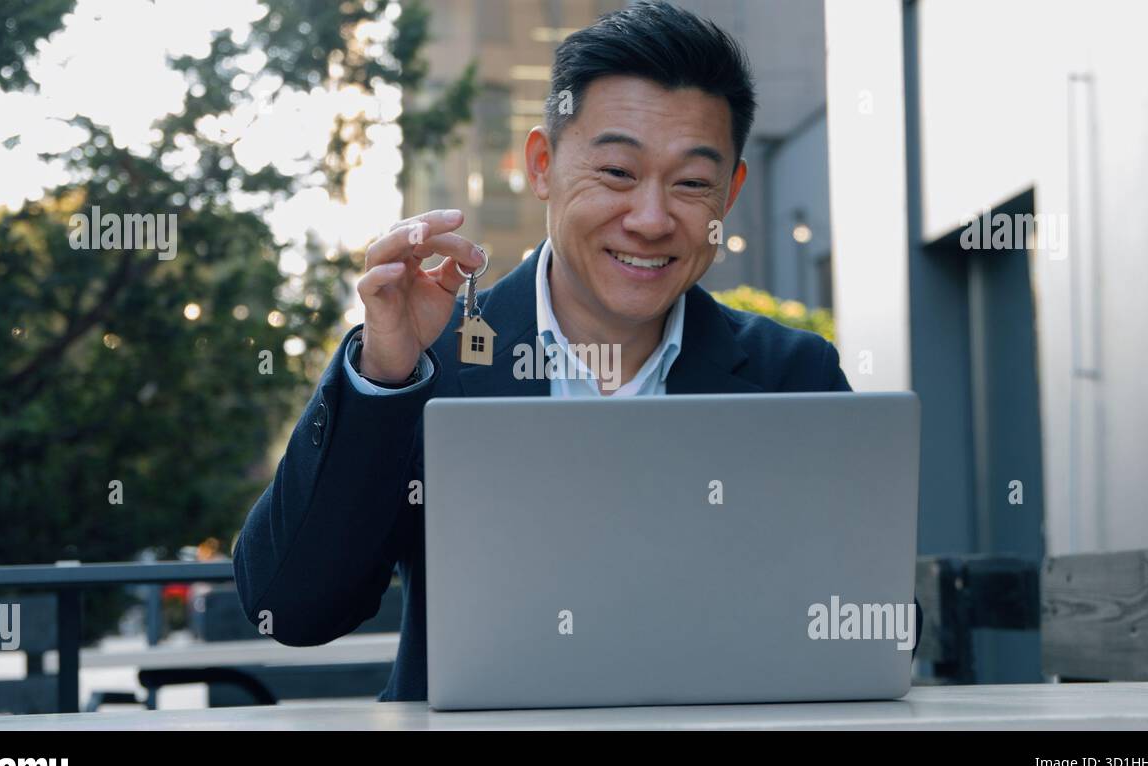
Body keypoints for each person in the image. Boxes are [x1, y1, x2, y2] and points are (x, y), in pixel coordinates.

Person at [233, 1, 917, 702]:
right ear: (542, 164)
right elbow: (291, 609)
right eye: (617, 173)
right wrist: (384, 374)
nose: (651, 220)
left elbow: (875, 628)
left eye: (690, 183)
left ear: (730, 195)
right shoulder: (428, 363)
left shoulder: (791, 375)